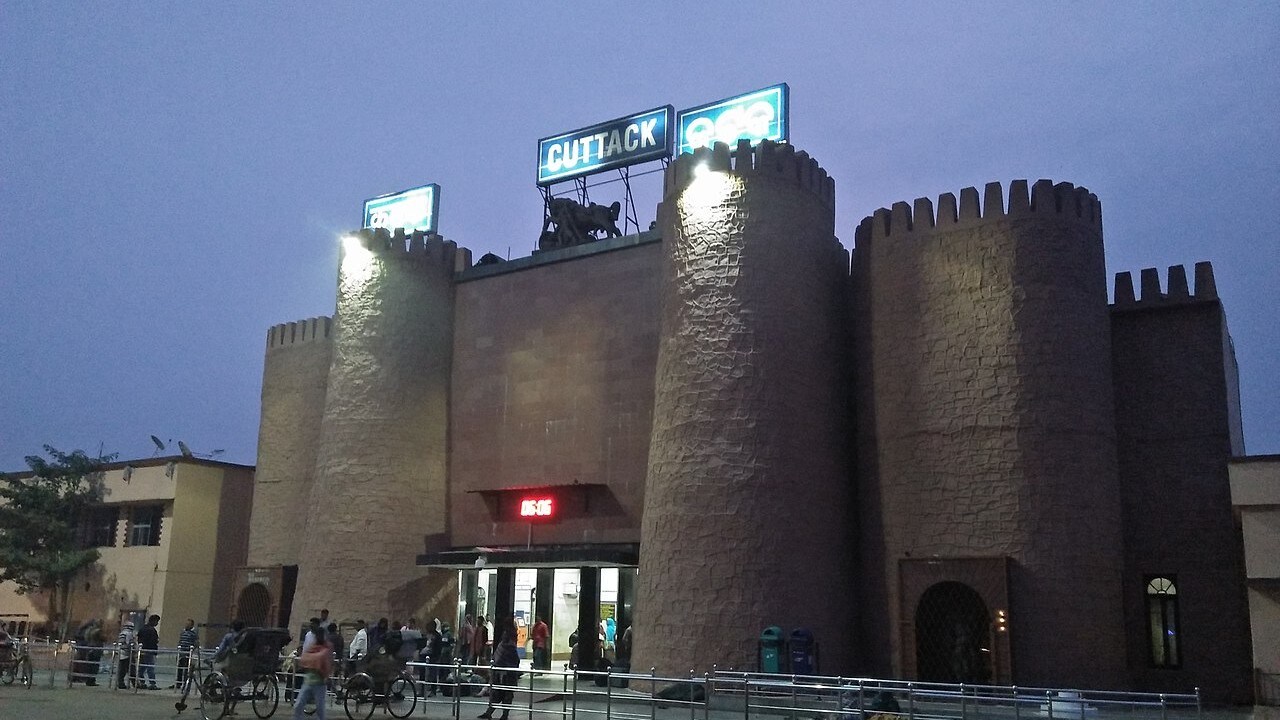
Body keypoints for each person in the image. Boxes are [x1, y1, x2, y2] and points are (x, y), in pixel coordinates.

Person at [293, 625, 333, 720]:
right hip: (309, 681)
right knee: (298, 704)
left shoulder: (326, 647)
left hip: (320, 682)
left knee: (320, 708)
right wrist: (316, 662)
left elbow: (309, 658)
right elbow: (306, 658)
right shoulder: (314, 647)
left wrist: (313, 662)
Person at [478, 630, 520, 720]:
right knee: (496, 694)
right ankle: (489, 712)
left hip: (508, 675)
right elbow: (497, 658)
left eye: (505, 635)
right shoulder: (501, 646)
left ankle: (504, 714)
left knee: (507, 695)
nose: (504, 637)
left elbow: (515, 661)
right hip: (498, 674)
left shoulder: (511, 647)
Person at [138, 614, 161, 689]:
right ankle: (152, 683)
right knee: (150, 667)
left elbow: (139, 639)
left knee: (142, 667)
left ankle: (141, 682)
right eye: (157, 621)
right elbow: (154, 641)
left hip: (142, 650)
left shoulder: (142, 629)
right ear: (153, 621)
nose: (157, 623)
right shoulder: (152, 630)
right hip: (150, 650)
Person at [175, 618, 199, 688]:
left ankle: (185, 683)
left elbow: (196, 643)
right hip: (181, 653)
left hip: (188, 653)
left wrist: (192, 650)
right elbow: (180, 641)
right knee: (179, 669)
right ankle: (178, 683)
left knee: (186, 669)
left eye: (188, 624)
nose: (186, 625)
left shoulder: (194, 634)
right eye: (186, 624)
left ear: (192, 625)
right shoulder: (183, 632)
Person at [116, 620, 136, 689]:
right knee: (131, 669)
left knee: (122, 670)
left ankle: (120, 683)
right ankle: (135, 683)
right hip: (128, 653)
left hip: (121, 653)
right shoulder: (129, 633)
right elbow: (130, 643)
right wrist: (134, 649)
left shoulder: (122, 633)